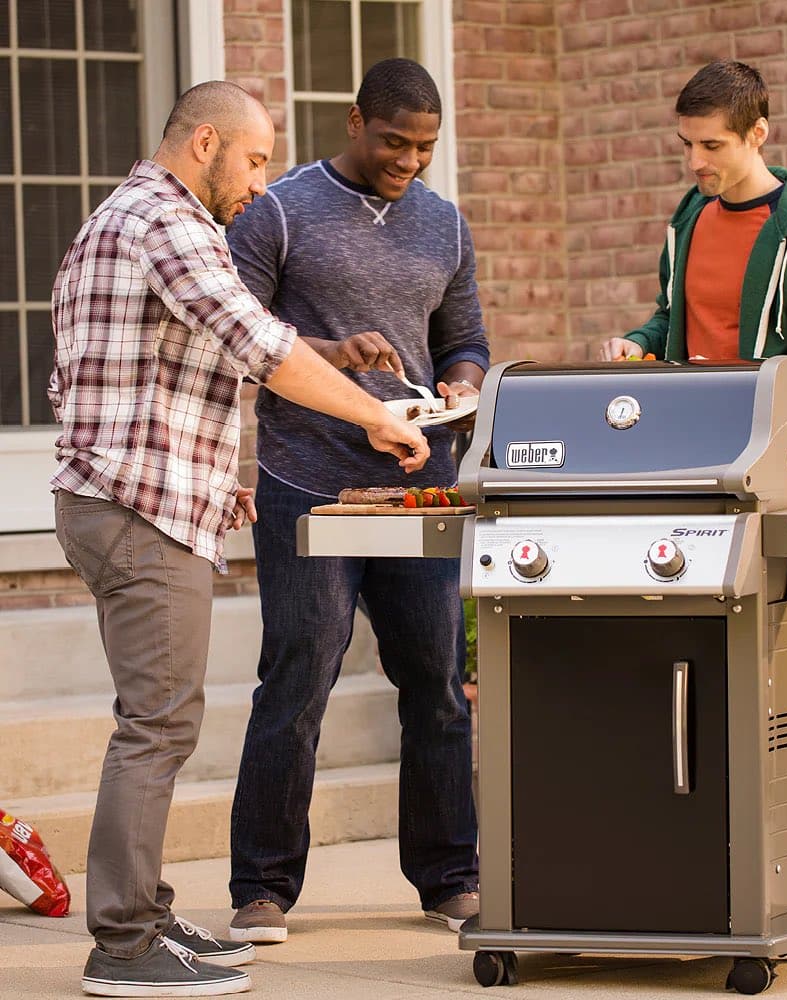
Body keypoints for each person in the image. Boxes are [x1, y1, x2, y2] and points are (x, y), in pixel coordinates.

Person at [49, 80, 429, 998]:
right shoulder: (171, 224)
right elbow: (258, 344)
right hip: (141, 516)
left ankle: (145, 909)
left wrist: (216, 479)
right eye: (255, 160)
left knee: (158, 719)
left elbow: (137, 370)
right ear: (206, 141)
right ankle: (124, 941)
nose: (262, 182)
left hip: (118, 501)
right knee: (158, 725)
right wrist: (374, 419)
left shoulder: (115, 216)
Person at [224, 58, 486, 945]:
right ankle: (262, 887)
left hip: (419, 484)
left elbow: (467, 338)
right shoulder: (279, 210)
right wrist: (333, 352)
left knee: (439, 688)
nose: (408, 160)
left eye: (424, 147)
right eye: (393, 141)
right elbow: (235, 340)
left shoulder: (446, 224)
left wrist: (459, 382)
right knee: (296, 684)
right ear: (354, 121)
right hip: (308, 485)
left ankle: (450, 876)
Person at [599, 59, 787, 762]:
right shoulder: (689, 217)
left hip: (778, 480)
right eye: (686, 144)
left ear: (758, 135)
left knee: (776, 668)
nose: (695, 161)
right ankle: (707, 827)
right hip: (690, 471)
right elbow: (672, 321)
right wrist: (637, 344)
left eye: (712, 145)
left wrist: (737, 394)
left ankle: (784, 838)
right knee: (697, 656)